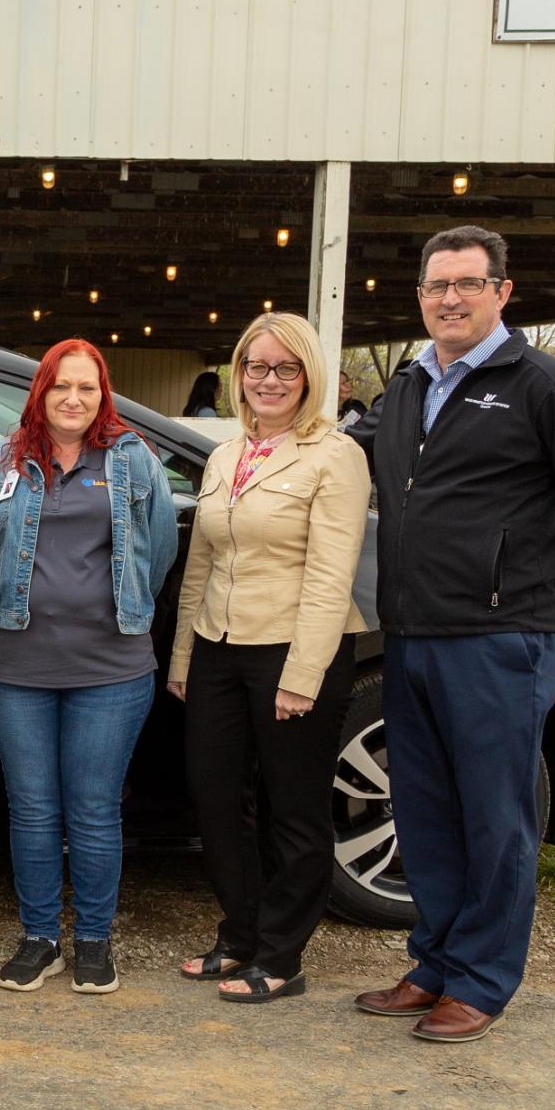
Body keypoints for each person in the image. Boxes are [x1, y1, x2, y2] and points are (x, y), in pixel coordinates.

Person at [351, 226, 555, 1043]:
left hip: (499, 639)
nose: (450, 298)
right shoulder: (409, 387)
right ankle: (435, 961)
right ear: (420, 296)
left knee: (495, 814)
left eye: (468, 284)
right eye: (437, 285)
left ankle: (482, 978)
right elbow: (350, 459)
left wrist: (525, 576)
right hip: (411, 633)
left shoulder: (546, 386)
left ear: (502, 291)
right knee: (427, 809)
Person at [166, 313, 369, 1002]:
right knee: (217, 799)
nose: (268, 380)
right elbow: (201, 564)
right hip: (219, 647)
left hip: (294, 648)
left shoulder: (334, 455)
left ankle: (282, 953)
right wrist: (183, 658)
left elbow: (329, 574)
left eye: (285, 368)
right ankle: (241, 933)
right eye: (256, 366)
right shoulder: (226, 454)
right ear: (237, 374)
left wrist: (302, 675)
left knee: (294, 809)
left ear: (309, 375)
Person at [0, 338, 179, 996]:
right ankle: (39, 938)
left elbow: (161, 550)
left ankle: (93, 939)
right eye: (61, 386)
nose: (73, 398)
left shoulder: (132, 459)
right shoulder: (4, 459)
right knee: (31, 809)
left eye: (86, 387)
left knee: (92, 809)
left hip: (111, 668)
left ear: (103, 393)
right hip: (15, 665)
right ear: (41, 392)